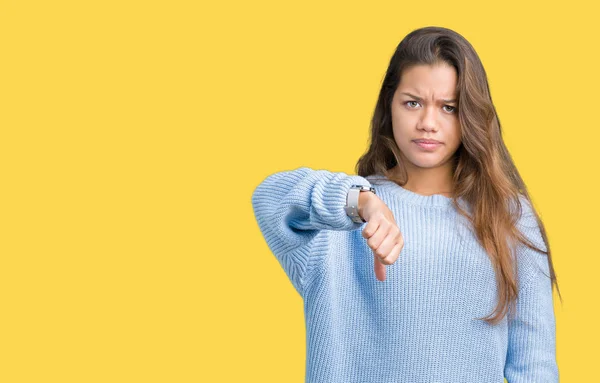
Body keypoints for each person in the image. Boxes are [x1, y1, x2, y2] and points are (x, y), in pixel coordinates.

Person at [251, 26, 561, 383]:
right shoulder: (338, 225)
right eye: (413, 102)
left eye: (449, 107)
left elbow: (535, 368)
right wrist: (362, 203)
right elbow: (270, 197)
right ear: (390, 105)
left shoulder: (509, 218)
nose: (428, 123)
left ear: (471, 117)